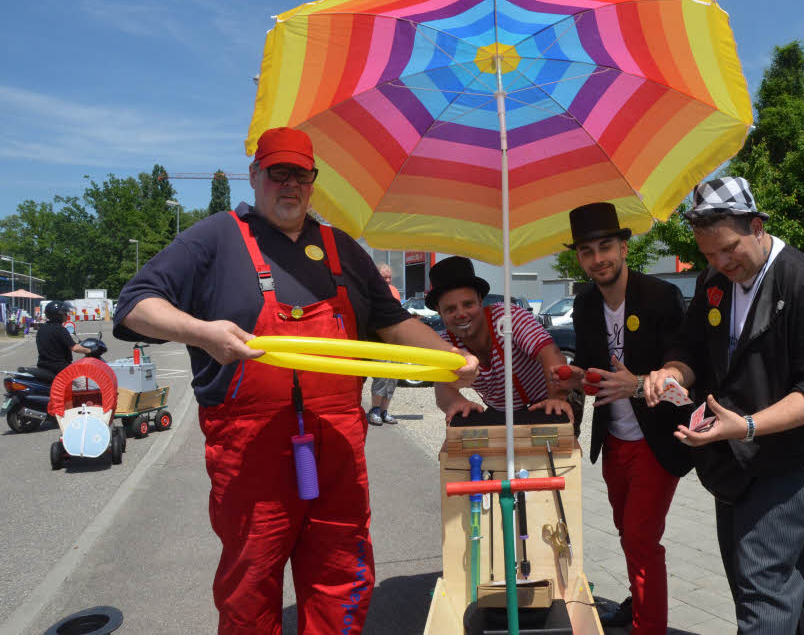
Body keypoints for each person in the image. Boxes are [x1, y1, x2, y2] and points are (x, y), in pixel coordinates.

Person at [113, 126, 478, 635]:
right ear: (254, 176)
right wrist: (201, 333)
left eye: (300, 175)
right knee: (250, 587)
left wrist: (449, 358)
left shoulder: (342, 249)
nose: (289, 185)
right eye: (276, 173)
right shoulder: (214, 238)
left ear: (314, 181)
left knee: (343, 578)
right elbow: (134, 305)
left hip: (337, 444)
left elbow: (393, 321)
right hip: (250, 451)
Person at [665, 177, 804, 634]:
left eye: (728, 249)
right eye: (708, 255)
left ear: (757, 226)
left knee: (764, 594)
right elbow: (690, 347)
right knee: (753, 587)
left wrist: (744, 425)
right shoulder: (713, 283)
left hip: (787, 463)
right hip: (731, 462)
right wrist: (671, 373)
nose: (721, 264)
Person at [550, 202, 692, 635]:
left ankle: (649, 626)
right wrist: (577, 378)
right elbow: (597, 374)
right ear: (580, 257)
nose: (598, 259)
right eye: (588, 251)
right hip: (613, 440)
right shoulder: (585, 303)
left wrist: (645, 380)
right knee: (626, 532)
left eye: (606, 246)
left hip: (656, 440)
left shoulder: (660, 296)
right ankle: (638, 605)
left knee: (641, 539)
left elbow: (685, 371)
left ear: (625, 247)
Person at [429, 256, 576, 427]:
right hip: (501, 411)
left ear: (480, 300)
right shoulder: (446, 343)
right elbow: (443, 387)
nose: (461, 314)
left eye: (468, 304)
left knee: (560, 448)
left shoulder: (507, 317)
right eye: (450, 309)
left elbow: (551, 354)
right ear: (439, 312)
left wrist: (556, 399)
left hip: (549, 398)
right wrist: (456, 402)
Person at [367, 262, 401, 426]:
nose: (387, 280)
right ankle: (374, 410)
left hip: (394, 341)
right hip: (378, 340)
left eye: (389, 277)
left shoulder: (394, 291)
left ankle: (384, 410)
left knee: (393, 377)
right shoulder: (370, 292)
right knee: (381, 376)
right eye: (384, 277)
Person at [35, 301, 89, 380]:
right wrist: (89, 350)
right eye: (65, 313)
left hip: (43, 365)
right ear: (58, 315)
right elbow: (75, 348)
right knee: (83, 381)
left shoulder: (42, 328)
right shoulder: (60, 329)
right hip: (60, 367)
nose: (66, 315)